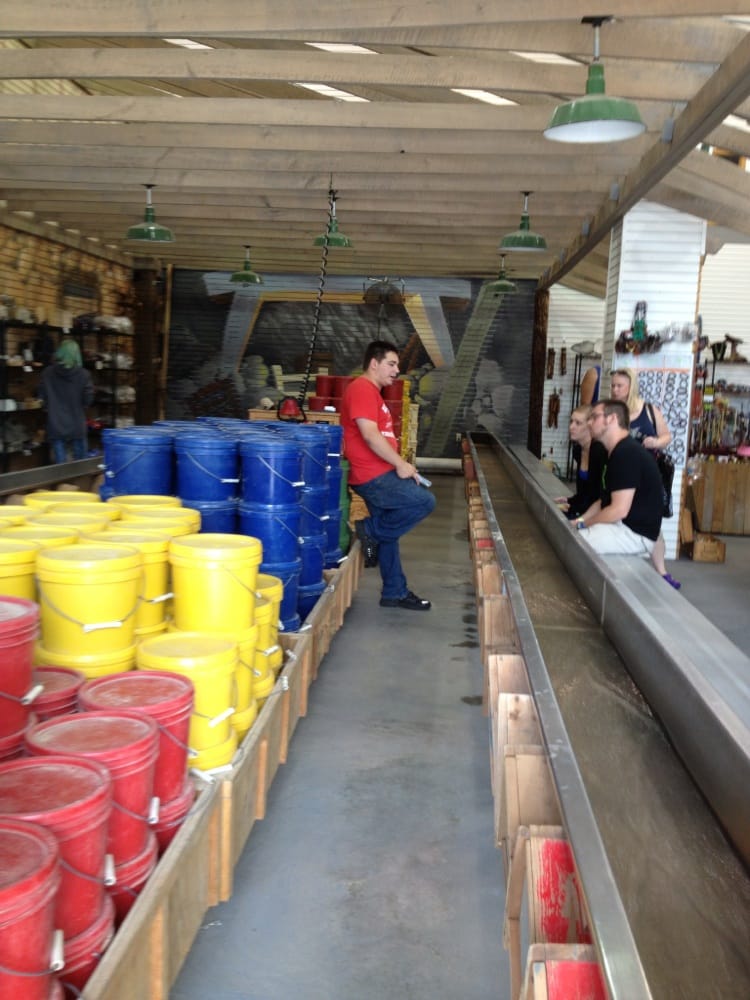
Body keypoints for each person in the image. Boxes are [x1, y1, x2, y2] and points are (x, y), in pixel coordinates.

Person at [341, 340, 436, 611]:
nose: (396, 370)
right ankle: (368, 530)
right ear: (374, 364)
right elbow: (370, 436)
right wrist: (400, 464)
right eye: (391, 364)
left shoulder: (372, 392)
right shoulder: (362, 389)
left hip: (379, 471)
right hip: (372, 474)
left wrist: (397, 464)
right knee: (424, 501)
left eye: (397, 365)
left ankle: (394, 592)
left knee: (389, 534)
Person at [572, 399, 680, 588]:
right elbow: (603, 501)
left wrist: (584, 525)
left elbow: (618, 510)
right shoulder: (615, 452)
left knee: (575, 544)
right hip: (623, 526)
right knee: (571, 534)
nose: (589, 423)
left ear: (612, 419)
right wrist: (578, 521)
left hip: (635, 534)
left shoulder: (626, 453)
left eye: (594, 417)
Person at [609, 367, 678, 587]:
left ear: (631, 387)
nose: (615, 390)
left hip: (647, 477)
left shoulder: (649, 410)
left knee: (651, 521)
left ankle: (662, 572)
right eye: (613, 385)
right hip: (621, 474)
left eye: (620, 386)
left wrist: (656, 442)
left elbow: (666, 436)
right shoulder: (611, 411)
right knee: (617, 515)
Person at [38, 337, 94, 464]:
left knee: (60, 467)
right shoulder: (84, 374)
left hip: (55, 423)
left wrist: (48, 407)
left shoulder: (47, 373)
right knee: (81, 466)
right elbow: (88, 399)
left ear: (60, 352)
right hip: (77, 422)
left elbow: (42, 396)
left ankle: (62, 478)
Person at [559, 405, 606, 520]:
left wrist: (573, 508)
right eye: (571, 422)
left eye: (578, 423)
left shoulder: (599, 451)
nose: (571, 427)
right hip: (584, 508)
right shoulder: (577, 450)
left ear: (590, 426)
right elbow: (584, 493)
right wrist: (568, 501)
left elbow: (600, 497)